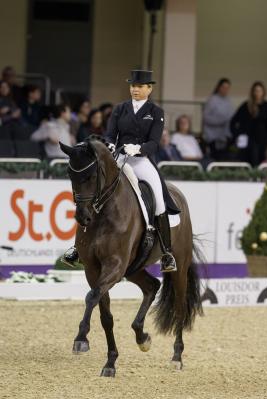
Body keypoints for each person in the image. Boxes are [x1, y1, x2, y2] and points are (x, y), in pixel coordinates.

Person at [64, 70, 179, 272]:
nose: (135, 89)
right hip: (119, 159)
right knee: (93, 193)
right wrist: (109, 145)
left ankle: (166, 252)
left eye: (140, 86)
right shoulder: (120, 109)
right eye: (133, 86)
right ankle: (77, 247)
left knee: (159, 200)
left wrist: (139, 149)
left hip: (142, 161)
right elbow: (110, 135)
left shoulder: (156, 112)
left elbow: (154, 142)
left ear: (149, 89)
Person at [230, 81, 267, 166]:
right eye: (256, 90)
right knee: (249, 160)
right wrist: (237, 135)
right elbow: (234, 121)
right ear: (252, 92)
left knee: (262, 161)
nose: (257, 93)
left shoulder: (266, 106)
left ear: (263, 92)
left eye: (260, 91)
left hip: (263, 141)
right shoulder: (246, 106)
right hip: (248, 141)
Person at [203, 78, 234, 160]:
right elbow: (206, 118)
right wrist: (221, 120)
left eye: (227, 88)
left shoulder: (228, 101)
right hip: (213, 138)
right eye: (224, 87)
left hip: (225, 137)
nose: (226, 90)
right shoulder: (212, 100)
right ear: (219, 87)